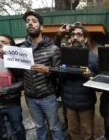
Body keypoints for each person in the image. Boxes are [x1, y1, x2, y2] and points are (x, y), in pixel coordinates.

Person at [20, 11, 64, 140]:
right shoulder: (21, 49)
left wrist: (48, 69)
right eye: (27, 21)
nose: (30, 23)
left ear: (41, 27)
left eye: (34, 21)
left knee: (54, 127)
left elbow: (60, 73)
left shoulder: (53, 49)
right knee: (39, 127)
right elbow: (18, 73)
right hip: (30, 98)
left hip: (48, 97)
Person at [58, 23, 99, 140]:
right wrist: (63, 71)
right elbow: (60, 80)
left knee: (88, 133)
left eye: (79, 35)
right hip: (69, 103)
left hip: (86, 103)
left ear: (85, 39)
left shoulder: (93, 57)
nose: (75, 37)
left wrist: (90, 75)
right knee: (73, 132)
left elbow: (99, 79)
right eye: (73, 35)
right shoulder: (64, 56)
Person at [0, 34, 26, 140]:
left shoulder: (18, 59)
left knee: (18, 130)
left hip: (12, 104)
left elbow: (23, 83)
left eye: (4, 42)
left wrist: (0, 90)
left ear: (11, 46)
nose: (0, 44)